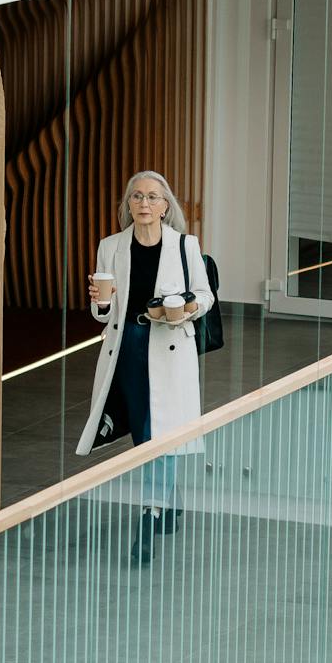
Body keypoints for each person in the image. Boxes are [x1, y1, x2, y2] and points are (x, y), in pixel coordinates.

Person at [74, 171, 213, 567]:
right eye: (137, 196)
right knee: (144, 429)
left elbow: (205, 296)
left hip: (168, 346)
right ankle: (168, 498)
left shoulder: (185, 246)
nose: (144, 203)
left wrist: (186, 308)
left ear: (165, 206)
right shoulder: (111, 247)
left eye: (153, 196)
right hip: (127, 347)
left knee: (162, 432)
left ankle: (148, 516)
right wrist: (100, 303)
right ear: (128, 205)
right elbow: (103, 315)